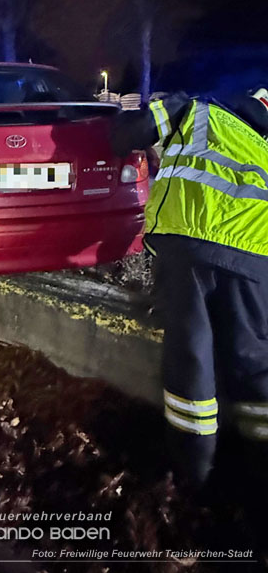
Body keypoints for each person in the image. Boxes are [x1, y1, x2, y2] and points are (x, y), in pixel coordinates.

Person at [112, 86, 268, 489]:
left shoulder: (193, 108)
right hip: (255, 260)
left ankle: (194, 473)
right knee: (253, 364)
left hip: (187, 243)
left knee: (192, 358)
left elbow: (127, 135)